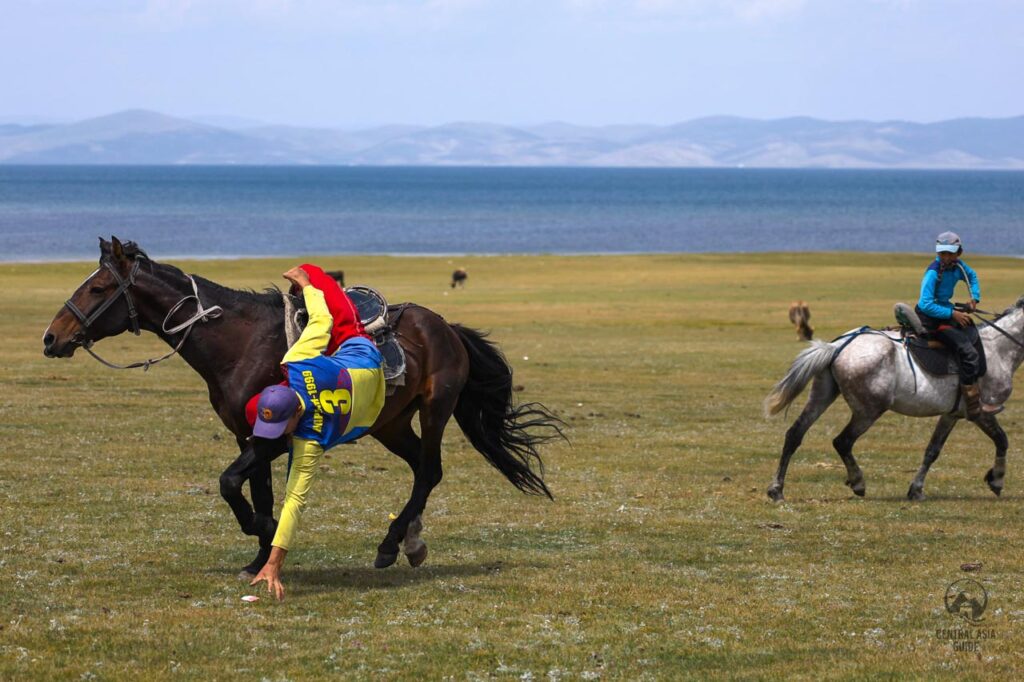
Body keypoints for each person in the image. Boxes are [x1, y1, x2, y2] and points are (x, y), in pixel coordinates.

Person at [249, 265, 386, 600]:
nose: (282, 435)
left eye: (281, 428)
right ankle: (309, 275)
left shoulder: (309, 442)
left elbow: (294, 500)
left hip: (365, 392)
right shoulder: (296, 362)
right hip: (360, 357)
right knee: (310, 271)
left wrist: (274, 562)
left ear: (296, 412)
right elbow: (322, 319)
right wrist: (307, 285)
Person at [915, 231, 989, 420]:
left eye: (950, 253)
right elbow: (925, 304)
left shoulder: (959, 267)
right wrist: (953, 313)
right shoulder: (933, 272)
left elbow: (972, 277)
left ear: (959, 253)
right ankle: (971, 403)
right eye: (942, 254)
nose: (946, 258)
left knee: (971, 328)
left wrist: (974, 298)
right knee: (969, 352)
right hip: (932, 321)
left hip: (946, 313)